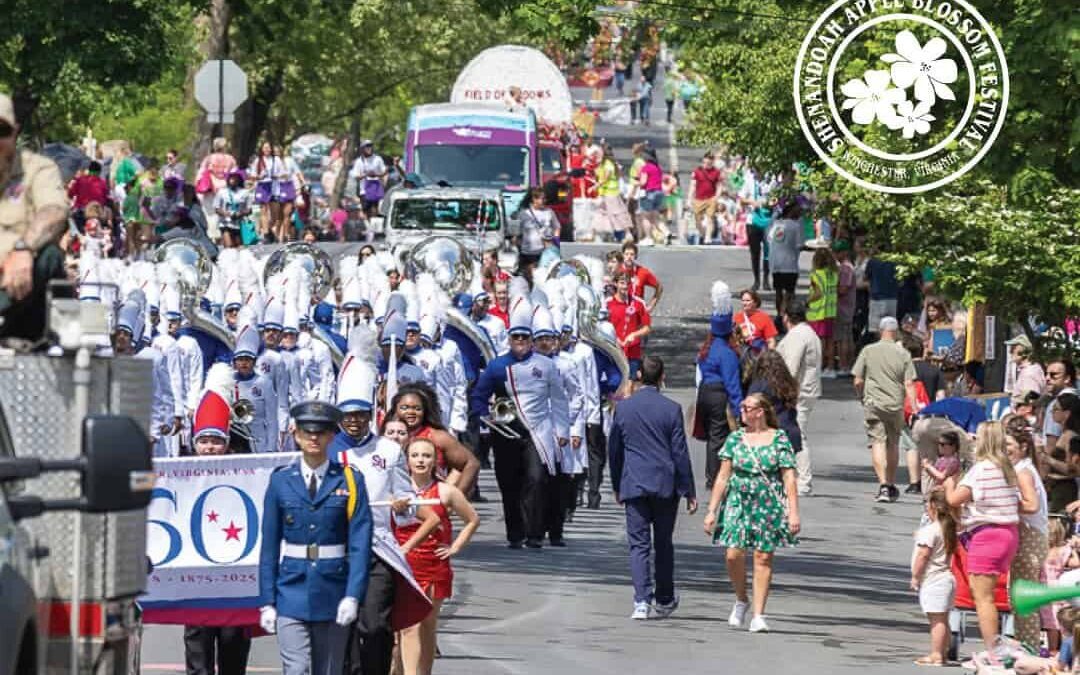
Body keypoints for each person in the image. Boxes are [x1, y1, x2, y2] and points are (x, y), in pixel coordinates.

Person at [258, 401, 373, 675]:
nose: (313, 438)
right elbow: (269, 547)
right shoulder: (280, 481)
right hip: (291, 588)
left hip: (333, 588)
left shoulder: (349, 480)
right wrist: (267, 600)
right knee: (296, 669)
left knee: (329, 669)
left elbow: (360, 543)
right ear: (296, 434)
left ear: (332, 436)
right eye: (307, 431)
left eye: (321, 432)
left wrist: (353, 596)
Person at [468, 297, 570, 549]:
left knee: (536, 480)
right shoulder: (497, 366)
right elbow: (479, 396)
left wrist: (562, 430)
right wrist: (485, 416)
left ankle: (535, 533)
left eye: (525, 338)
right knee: (509, 483)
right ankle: (515, 533)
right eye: (516, 338)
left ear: (532, 340)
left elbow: (559, 400)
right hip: (506, 432)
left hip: (538, 432)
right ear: (510, 339)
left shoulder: (546, 365)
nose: (521, 342)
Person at [704, 393, 800, 633]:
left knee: (763, 557)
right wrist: (711, 510)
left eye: (747, 408)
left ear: (761, 412)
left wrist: (794, 512)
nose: (742, 412)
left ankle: (759, 614)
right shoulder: (736, 439)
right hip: (739, 500)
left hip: (768, 503)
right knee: (732, 554)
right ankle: (741, 598)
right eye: (742, 408)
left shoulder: (779, 439)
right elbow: (723, 476)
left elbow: (789, 477)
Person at [608, 356, 696, 619]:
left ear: (637, 377)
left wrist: (616, 484)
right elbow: (679, 451)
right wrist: (688, 488)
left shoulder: (623, 409)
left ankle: (641, 600)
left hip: (634, 482)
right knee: (663, 543)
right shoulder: (671, 409)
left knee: (638, 544)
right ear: (662, 377)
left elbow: (615, 450)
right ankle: (665, 598)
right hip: (664, 484)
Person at [943, 421, 1036, 666]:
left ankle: (992, 651)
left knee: (982, 598)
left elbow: (954, 499)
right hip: (1007, 533)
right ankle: (997, 647)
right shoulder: (1006, 468)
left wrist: (949, 482)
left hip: (987, 536)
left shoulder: (981, 469)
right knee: (989, 595)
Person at [183, 368, 255, 673]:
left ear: (227, 442)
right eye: (204, 441)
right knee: (197, 644)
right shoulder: (179, 476)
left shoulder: (247, 474)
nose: (210, 447)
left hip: (235, 576)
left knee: (233, 644)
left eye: (216, 440)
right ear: (194, 444)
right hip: (195, 575)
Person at [396, 437, 480, 675]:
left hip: (433, 565)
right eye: (415, 456)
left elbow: (472, 520)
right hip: (402, 563)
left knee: (427, 625)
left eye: (426, 456)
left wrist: (454, 547)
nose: (421, 460)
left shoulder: (446, 491)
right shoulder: (397, 491)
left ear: (435, 461)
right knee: (406, 626)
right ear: (407, 461)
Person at [0, 93, 69, 341]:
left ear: (15, 132)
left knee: (49, 255)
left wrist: (22, 249)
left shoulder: (38, 168)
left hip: (26, 293)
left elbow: (54, 212)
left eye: (2, 131)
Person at [852, 316, 919, 503]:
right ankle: (890, 483)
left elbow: (857, 379)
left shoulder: (868, 351)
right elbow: (909, 383)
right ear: (896, 332)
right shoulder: (903, 354)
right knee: (893, 443)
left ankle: (882, 485)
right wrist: (914, 408)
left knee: (877, 442)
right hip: (895, 404)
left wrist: (862, 397)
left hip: (873, 402)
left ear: (880, 331)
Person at [1004, 416, 1049, 649]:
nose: (1005, 451)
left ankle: (1029, 648)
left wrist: (1006, 502)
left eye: (1009, 447)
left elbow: (1031, 505)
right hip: (1032, 537)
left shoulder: (1023, 472)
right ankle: (1025, 646)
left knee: (1023, 599)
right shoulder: (1024, 468)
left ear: (1022, 447)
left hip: (1030, 537)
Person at [695, 281, 743, 489]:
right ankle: (715, 477)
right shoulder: (728, 354)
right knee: (718, 436)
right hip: (718, 394)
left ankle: (709, 474)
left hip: (704, 392)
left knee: (711, 437)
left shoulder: (707, 349)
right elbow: (732, 384)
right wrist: (739, 408)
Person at [392, 383, 480, 494]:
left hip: (430, 505)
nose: (410, 412)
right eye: (404, 408)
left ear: (424, 411)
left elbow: (471, 464)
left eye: (417, 408)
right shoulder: (387, 436)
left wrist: (455, 499)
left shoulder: (437, 437)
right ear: (395, 409)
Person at [775, 300, 821, 496]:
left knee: (797, 434)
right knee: (792, 433)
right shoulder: (809, 333)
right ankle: (792, 476)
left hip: (798, 392)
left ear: (787, 317)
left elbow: (791, 366)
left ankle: (803, 480)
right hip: (806, 389)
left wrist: (784, 391)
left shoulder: (797, 336)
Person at [910, 489, 958, 667]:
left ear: (933, 507)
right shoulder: (948, 528)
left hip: (934, 579)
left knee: (936, 620)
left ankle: (936, 654)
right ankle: (942, 653)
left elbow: (923, 555)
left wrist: (916, 576)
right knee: (942, 618)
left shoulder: (930, 530)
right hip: (946, 578)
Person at [607, 270, 651, 379]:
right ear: (616, 284)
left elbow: (647, 328)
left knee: (630, 385)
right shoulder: (607, 303)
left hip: (632, 352)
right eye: (622, 283)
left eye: (627, 283)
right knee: (615, 385)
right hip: (613, 352)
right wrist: (614, 338)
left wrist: (634, 335)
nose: (625, 286)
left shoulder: (638, 303)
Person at [766, 199, 804, 316]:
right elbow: (799, 245)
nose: (800, 213)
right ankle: (785, 315)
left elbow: (769, 239)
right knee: (789, 293)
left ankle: (779, 315)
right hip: (790, 265)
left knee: (778, 292)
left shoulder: (777, 224)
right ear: (791, 211)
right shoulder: (796, 226)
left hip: (776, 264)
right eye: (798, 211)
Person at [806, 248, 839, 378]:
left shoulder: (816, 274)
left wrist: (807, 301)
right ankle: (830, 367)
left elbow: (818, 293)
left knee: (819, 342)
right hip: (830, 311)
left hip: (817, 312)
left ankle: (818, 366)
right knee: (830, 340)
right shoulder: (834, 274)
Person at [517, 187, 557, 274]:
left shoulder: (549, 212)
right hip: (526, 253)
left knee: (541, 276)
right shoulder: (524, 214)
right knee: (525, 276)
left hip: (543, 253)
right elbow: (517, 233)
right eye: (542, 198)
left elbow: (557, 227)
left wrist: (555, 242)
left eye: (545, 198)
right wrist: (519, 246)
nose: (544, 201)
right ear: (534, 199)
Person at [833, 240, 857, 375]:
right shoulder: (845, 267)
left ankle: (844, 365)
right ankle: (847, 364)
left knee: (843, 338)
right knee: (847, 336)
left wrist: (831, 289)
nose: (835, 255)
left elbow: (843, 289)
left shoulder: (845, 268)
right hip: (848, 307)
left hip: (843, 307)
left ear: (844, 253)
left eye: (837, 252)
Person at [214, 169, 253, 249]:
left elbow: (249, 210)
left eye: (235, 178)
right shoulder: (222, 192)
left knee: (240, 247)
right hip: (225, 223)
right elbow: (216, 208)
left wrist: (240, 213)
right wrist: (225, 213)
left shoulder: (245, 193)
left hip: (239, 224)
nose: (233, 180)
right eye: (231, 178)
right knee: (229, 246)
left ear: (239, 180)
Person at [620, 241, 663, 313]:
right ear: (623, 256)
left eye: (632, 254)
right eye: (626, 254)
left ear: (636, 256)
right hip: (621, 310)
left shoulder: (643, 272)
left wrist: (650, 307)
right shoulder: (618, 271)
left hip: (637, 312)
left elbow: (659, 287)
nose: (629, 257)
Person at [689, 153, 721, 245]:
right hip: (698, 199)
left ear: (712, 162)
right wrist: (689, 198)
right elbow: (693, 185)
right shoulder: (697, 171)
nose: (706, 164)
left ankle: (708, 237)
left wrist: (717, 196)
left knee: (710, 218)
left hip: (711, 198)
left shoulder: (716, 172)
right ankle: (703, 234)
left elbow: (719, 185)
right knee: (697, 220)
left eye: (709, 162)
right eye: (705, 162)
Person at [350, 140, 387, 219]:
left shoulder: (378, 159)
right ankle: (369, 226)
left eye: (370, 146)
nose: (369, 148)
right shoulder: (359, 161)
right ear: (362, 149)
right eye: (367, 147)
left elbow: (384, 172)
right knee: (366, 211)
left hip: (376, 189)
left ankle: (374, 226)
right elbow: (356, 176)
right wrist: (366, 175)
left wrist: (376, 175)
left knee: (375, 210)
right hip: (364, 190)